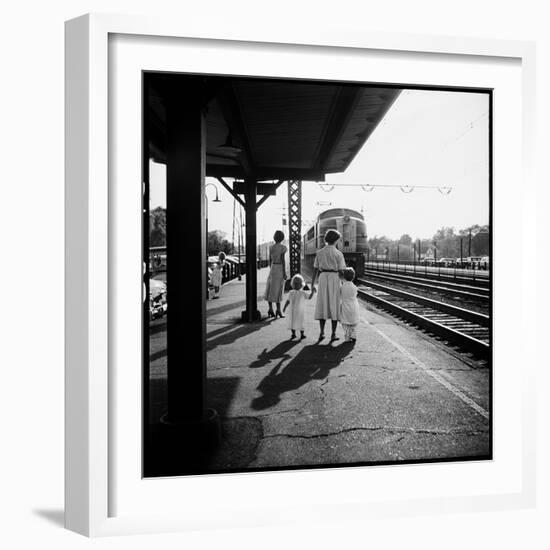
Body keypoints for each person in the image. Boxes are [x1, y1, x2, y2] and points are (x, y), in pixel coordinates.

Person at [309, 229, 346, 341]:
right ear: (336, 240)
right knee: (334, 304)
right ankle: (333, 334)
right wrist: (344, 284)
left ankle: (321, 333)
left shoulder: (319, 253)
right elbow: (341, 271)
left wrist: (312, 285)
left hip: (323, 278)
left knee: (322, 303)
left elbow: (315, 270)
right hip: (334, 278)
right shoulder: (338, 254)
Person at [264, 230, 287, 318]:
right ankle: (278, 310)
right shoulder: (283, 248)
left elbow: (270, 260)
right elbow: (283, 260)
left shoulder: (271, 247)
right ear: (282, 238)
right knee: (279, 289)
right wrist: (284, 273)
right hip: (279, 268)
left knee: (270, 288)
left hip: (273, 268)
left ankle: (270, 309)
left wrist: (271, 268)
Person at [282, 274, 312, 339]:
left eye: (298, 283)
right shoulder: (291, 292)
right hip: (293, 310)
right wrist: (284, 307)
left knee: (301, 322)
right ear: (293, 284)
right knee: (293, 322)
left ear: (301, 284)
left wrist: (312, 292)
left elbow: (309, 297)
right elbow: (288, 301)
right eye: (295, 283)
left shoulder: (302, 293)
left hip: (300, 311)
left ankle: (302, 334)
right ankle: (293, 334)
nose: (296, 285)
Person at [340, 267, 360, 342]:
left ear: (344, 276)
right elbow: (355, 294)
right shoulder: (354, 287)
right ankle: (353, 334)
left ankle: (347, 336)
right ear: (353, 277)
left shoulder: (342, 286)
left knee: (345, 322)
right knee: (354, 321)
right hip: (354, 306)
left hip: (345, 306)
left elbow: (340, 295)